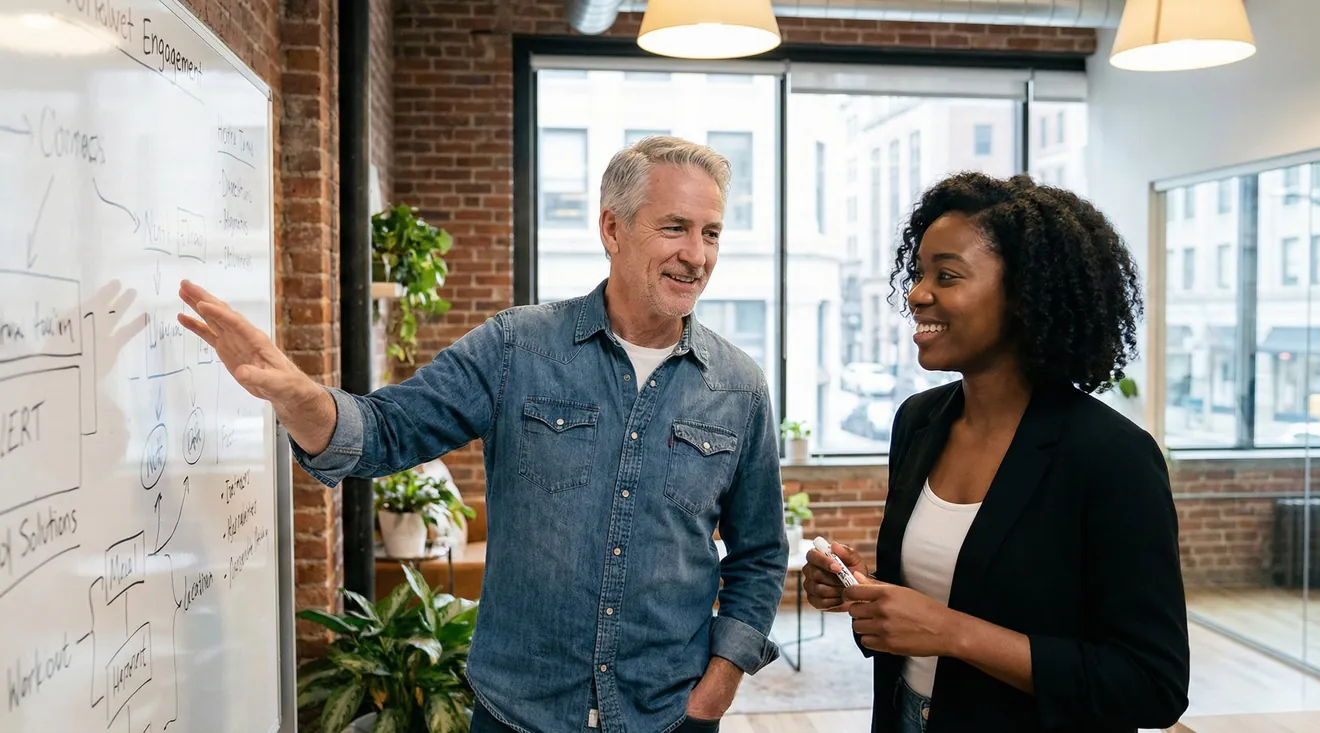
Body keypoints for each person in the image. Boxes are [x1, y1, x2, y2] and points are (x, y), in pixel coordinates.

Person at [178, 136, 788, 733]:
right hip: (519, 712)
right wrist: (300, 399)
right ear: (612, 229)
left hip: (670, 715)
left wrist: (717, 688)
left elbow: (759, 553)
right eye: (675, 227)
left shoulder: (738, 385)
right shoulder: (516, 346)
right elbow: (388, 430)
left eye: (711, 234)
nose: (697, 255)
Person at [802, 172, 1190, 732]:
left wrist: (952, 631)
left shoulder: (1112, 456)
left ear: (1026, 293)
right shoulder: (919, 422)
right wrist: (867, 593)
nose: (916, 294)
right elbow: (944, 594)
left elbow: (1152, 684)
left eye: (948, 275)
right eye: (918, 273)